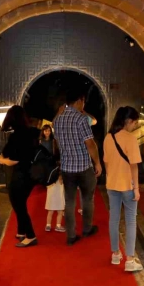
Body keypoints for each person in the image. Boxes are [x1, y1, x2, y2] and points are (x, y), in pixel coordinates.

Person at [54, 88, 102, 245]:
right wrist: (97, 162)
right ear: (79, 101)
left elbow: (57, 140)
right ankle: (87, 229)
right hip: (83, 167)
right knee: (87, 199)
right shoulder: (81, 119)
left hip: (67, 168)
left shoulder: (58, 120)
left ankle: (71, 236)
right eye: (83, 101)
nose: (84, 104)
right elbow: (90, 144)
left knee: (69, 202)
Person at [104, 106, 143, 272]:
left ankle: (115, 254)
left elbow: (106, 163)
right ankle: (130, 260)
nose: (135, 126)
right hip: (128, 185)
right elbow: (134, 166)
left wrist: (111, 178)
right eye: (134, 122)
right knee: (130, 221)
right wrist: (137, 188)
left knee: (113, 219)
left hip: (112, 185)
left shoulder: (108, 137)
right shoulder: (130, 139)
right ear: (128, 121)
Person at [0, 106, 40, 248]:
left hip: (20, 175)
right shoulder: (32, 132)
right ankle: (21, 232)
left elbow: (12, 159)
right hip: (31, 175)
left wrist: (1, 160)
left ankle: (30, 236)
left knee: (19, 206)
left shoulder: (16, 136)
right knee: (21, 202)